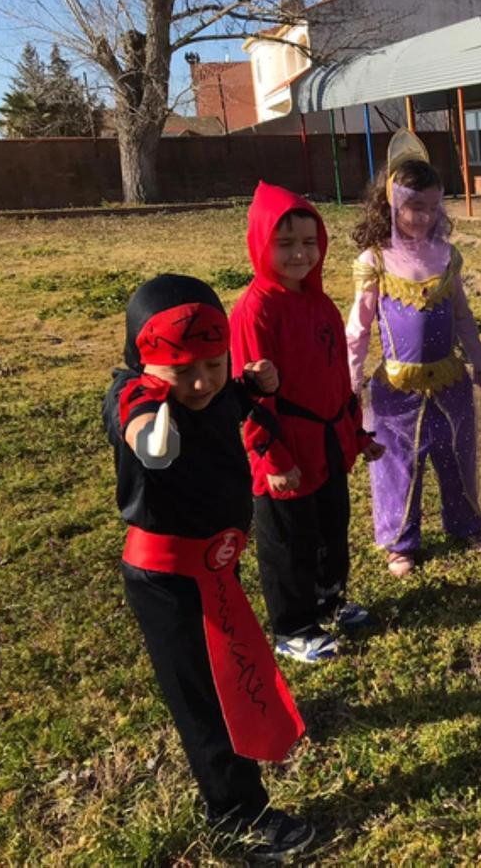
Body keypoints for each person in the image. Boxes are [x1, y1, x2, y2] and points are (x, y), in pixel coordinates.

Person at [103, 274, 313, 859]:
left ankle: (247, 756)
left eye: (213, 364)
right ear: (148, 362)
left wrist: (253, 381)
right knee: (203, 698)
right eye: (182, 371)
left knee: (230, 673)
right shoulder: (135, 395)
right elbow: (137, 418)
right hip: (167, 580)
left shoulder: (217, 385)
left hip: (216, 565)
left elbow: (235, 395)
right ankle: (236, 812)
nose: (200, 382)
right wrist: (150, 438)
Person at [230, 182, 383, 664]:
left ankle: (330, 600)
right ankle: (293, 625)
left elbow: (340, 378)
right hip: (286, 451)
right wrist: (273, 457)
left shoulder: (319, 303)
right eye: (286, 244)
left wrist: (355, 434)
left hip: (329, 445)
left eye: (308, 242)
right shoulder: (256, 311)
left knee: (330, 531)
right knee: (289, 544)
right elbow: (251, 397)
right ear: (261, 244)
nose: (300, 254)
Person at [346, 129, 481, 578]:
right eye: (415, 208)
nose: (425, 217)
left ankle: (465, 524)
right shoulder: (374, 260)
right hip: (396, 387)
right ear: (390, 204)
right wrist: (350, 381)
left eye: (433, 208)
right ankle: (400, 541)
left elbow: (462, 315)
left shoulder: (447, 257)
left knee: (455, 455)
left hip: (449, 380)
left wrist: (478, 355)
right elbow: (359, 327)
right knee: (397, 466)